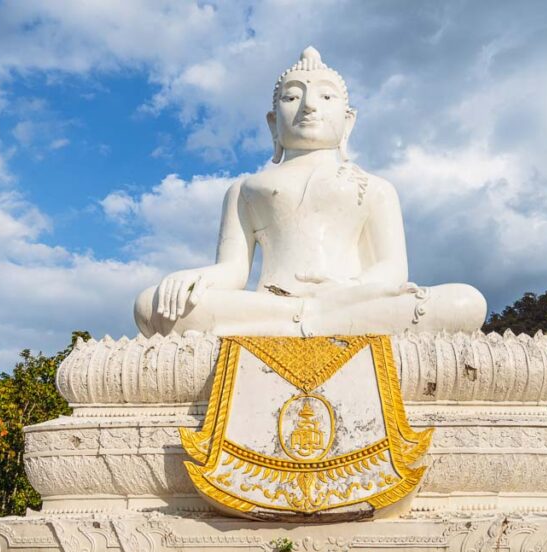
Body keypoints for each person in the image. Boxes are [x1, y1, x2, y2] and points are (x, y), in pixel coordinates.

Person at [134, 46, 487, 338]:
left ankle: (306, 321)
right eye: (292, 97)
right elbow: (233, 271)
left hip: (349, 301)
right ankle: (312, 321)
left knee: (465, 302)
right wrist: (197, 278)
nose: (309, 106)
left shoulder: (376, 188)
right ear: (273, 122)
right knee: (151, 304)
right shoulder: (245, 188)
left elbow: (392, 269)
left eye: (325, 96)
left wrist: (345, 290)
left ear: (347, 121)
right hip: (275, 303)